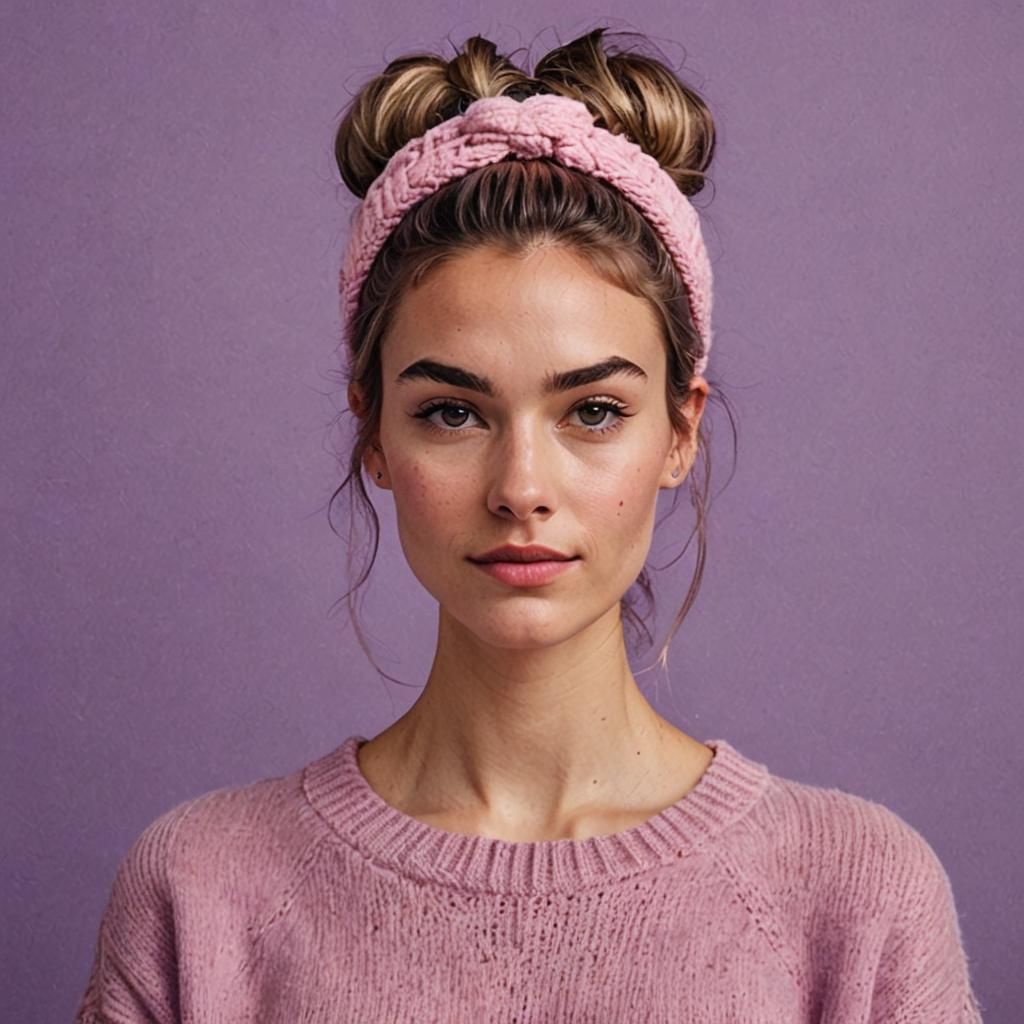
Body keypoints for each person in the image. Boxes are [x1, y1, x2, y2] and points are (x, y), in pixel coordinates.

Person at [76, 28, 984, 1022]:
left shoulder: (855, 900)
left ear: (678, 432)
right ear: (372, 433)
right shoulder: (200, 894)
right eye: (451, 411)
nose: (519, 487)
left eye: (592, 411)